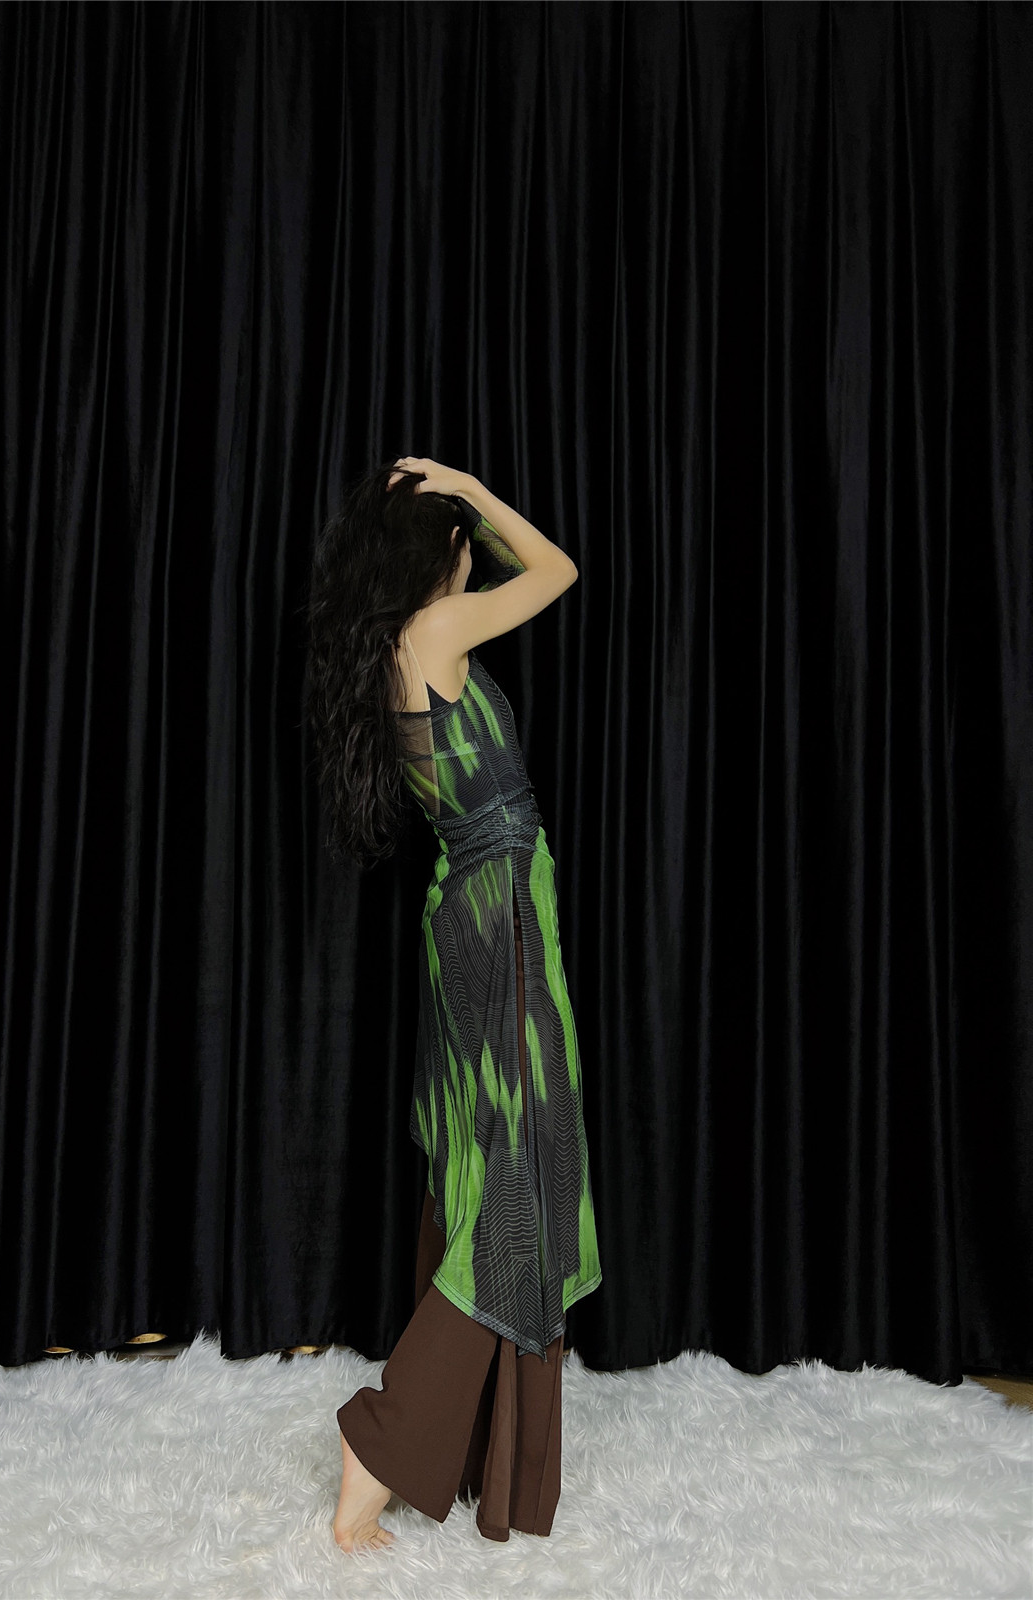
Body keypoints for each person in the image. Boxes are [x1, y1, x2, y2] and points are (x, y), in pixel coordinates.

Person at [303, 456, 601, 1554]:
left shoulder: (397, 645)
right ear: (447, 552)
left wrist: (457, 509)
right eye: (464, 543)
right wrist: (470, 488)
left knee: (499, 1165)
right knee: (516, 1184)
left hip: (475, 913)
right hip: (498, 917)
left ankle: (469, 1442)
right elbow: (558, 570)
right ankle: (381, 1442)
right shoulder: (437, 630)